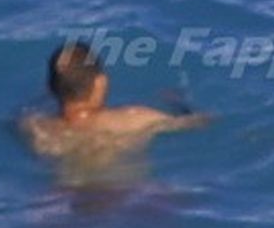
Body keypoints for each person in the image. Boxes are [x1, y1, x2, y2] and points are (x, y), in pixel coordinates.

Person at [16, 40, 212, 175]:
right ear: (100, 83)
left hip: (67, 199)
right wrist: (178, 102)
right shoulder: (134, 119)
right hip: (124, 197)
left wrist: (58, 88)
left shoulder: (34, 126)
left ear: (50, 88)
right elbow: (200, 122)